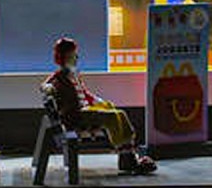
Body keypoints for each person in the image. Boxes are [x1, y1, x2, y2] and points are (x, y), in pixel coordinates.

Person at [40, 37, 157, 175]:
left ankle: (128, 153)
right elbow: (45, 85)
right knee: (112, 117)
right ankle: (127, 158)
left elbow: (86, 94)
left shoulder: (74, 75)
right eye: (73, 54)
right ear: (64, 56)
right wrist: (48, 88)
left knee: (119, 113)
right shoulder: (59, 77)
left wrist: (100, 102)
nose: (76, 57)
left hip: (84, 111)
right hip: (76, 116)